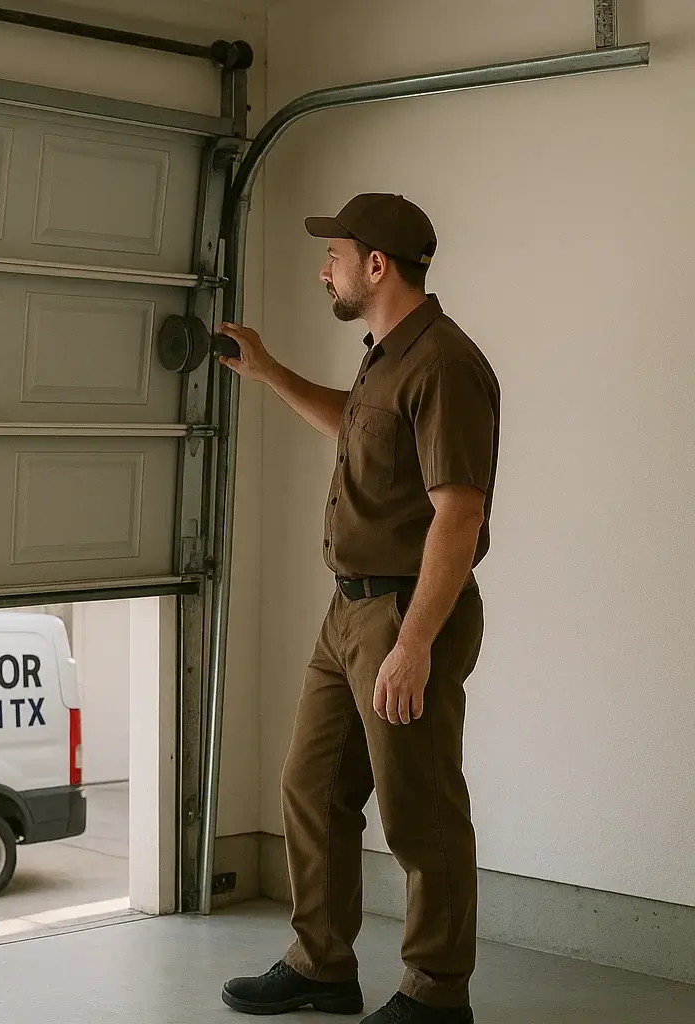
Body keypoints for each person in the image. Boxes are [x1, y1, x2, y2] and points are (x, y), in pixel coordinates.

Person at [217, 193, 500, 1024]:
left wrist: (414, 646)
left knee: (423, 811)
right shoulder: (389, 355)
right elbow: (355, 427)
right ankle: (322, 965)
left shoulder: (445, 363)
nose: (323, 270)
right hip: (346, 614)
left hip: (405, 615)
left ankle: (437, 994)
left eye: (334, 255)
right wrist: (268, 373)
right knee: (311, 785)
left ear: (377, 266)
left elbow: (460, 513)